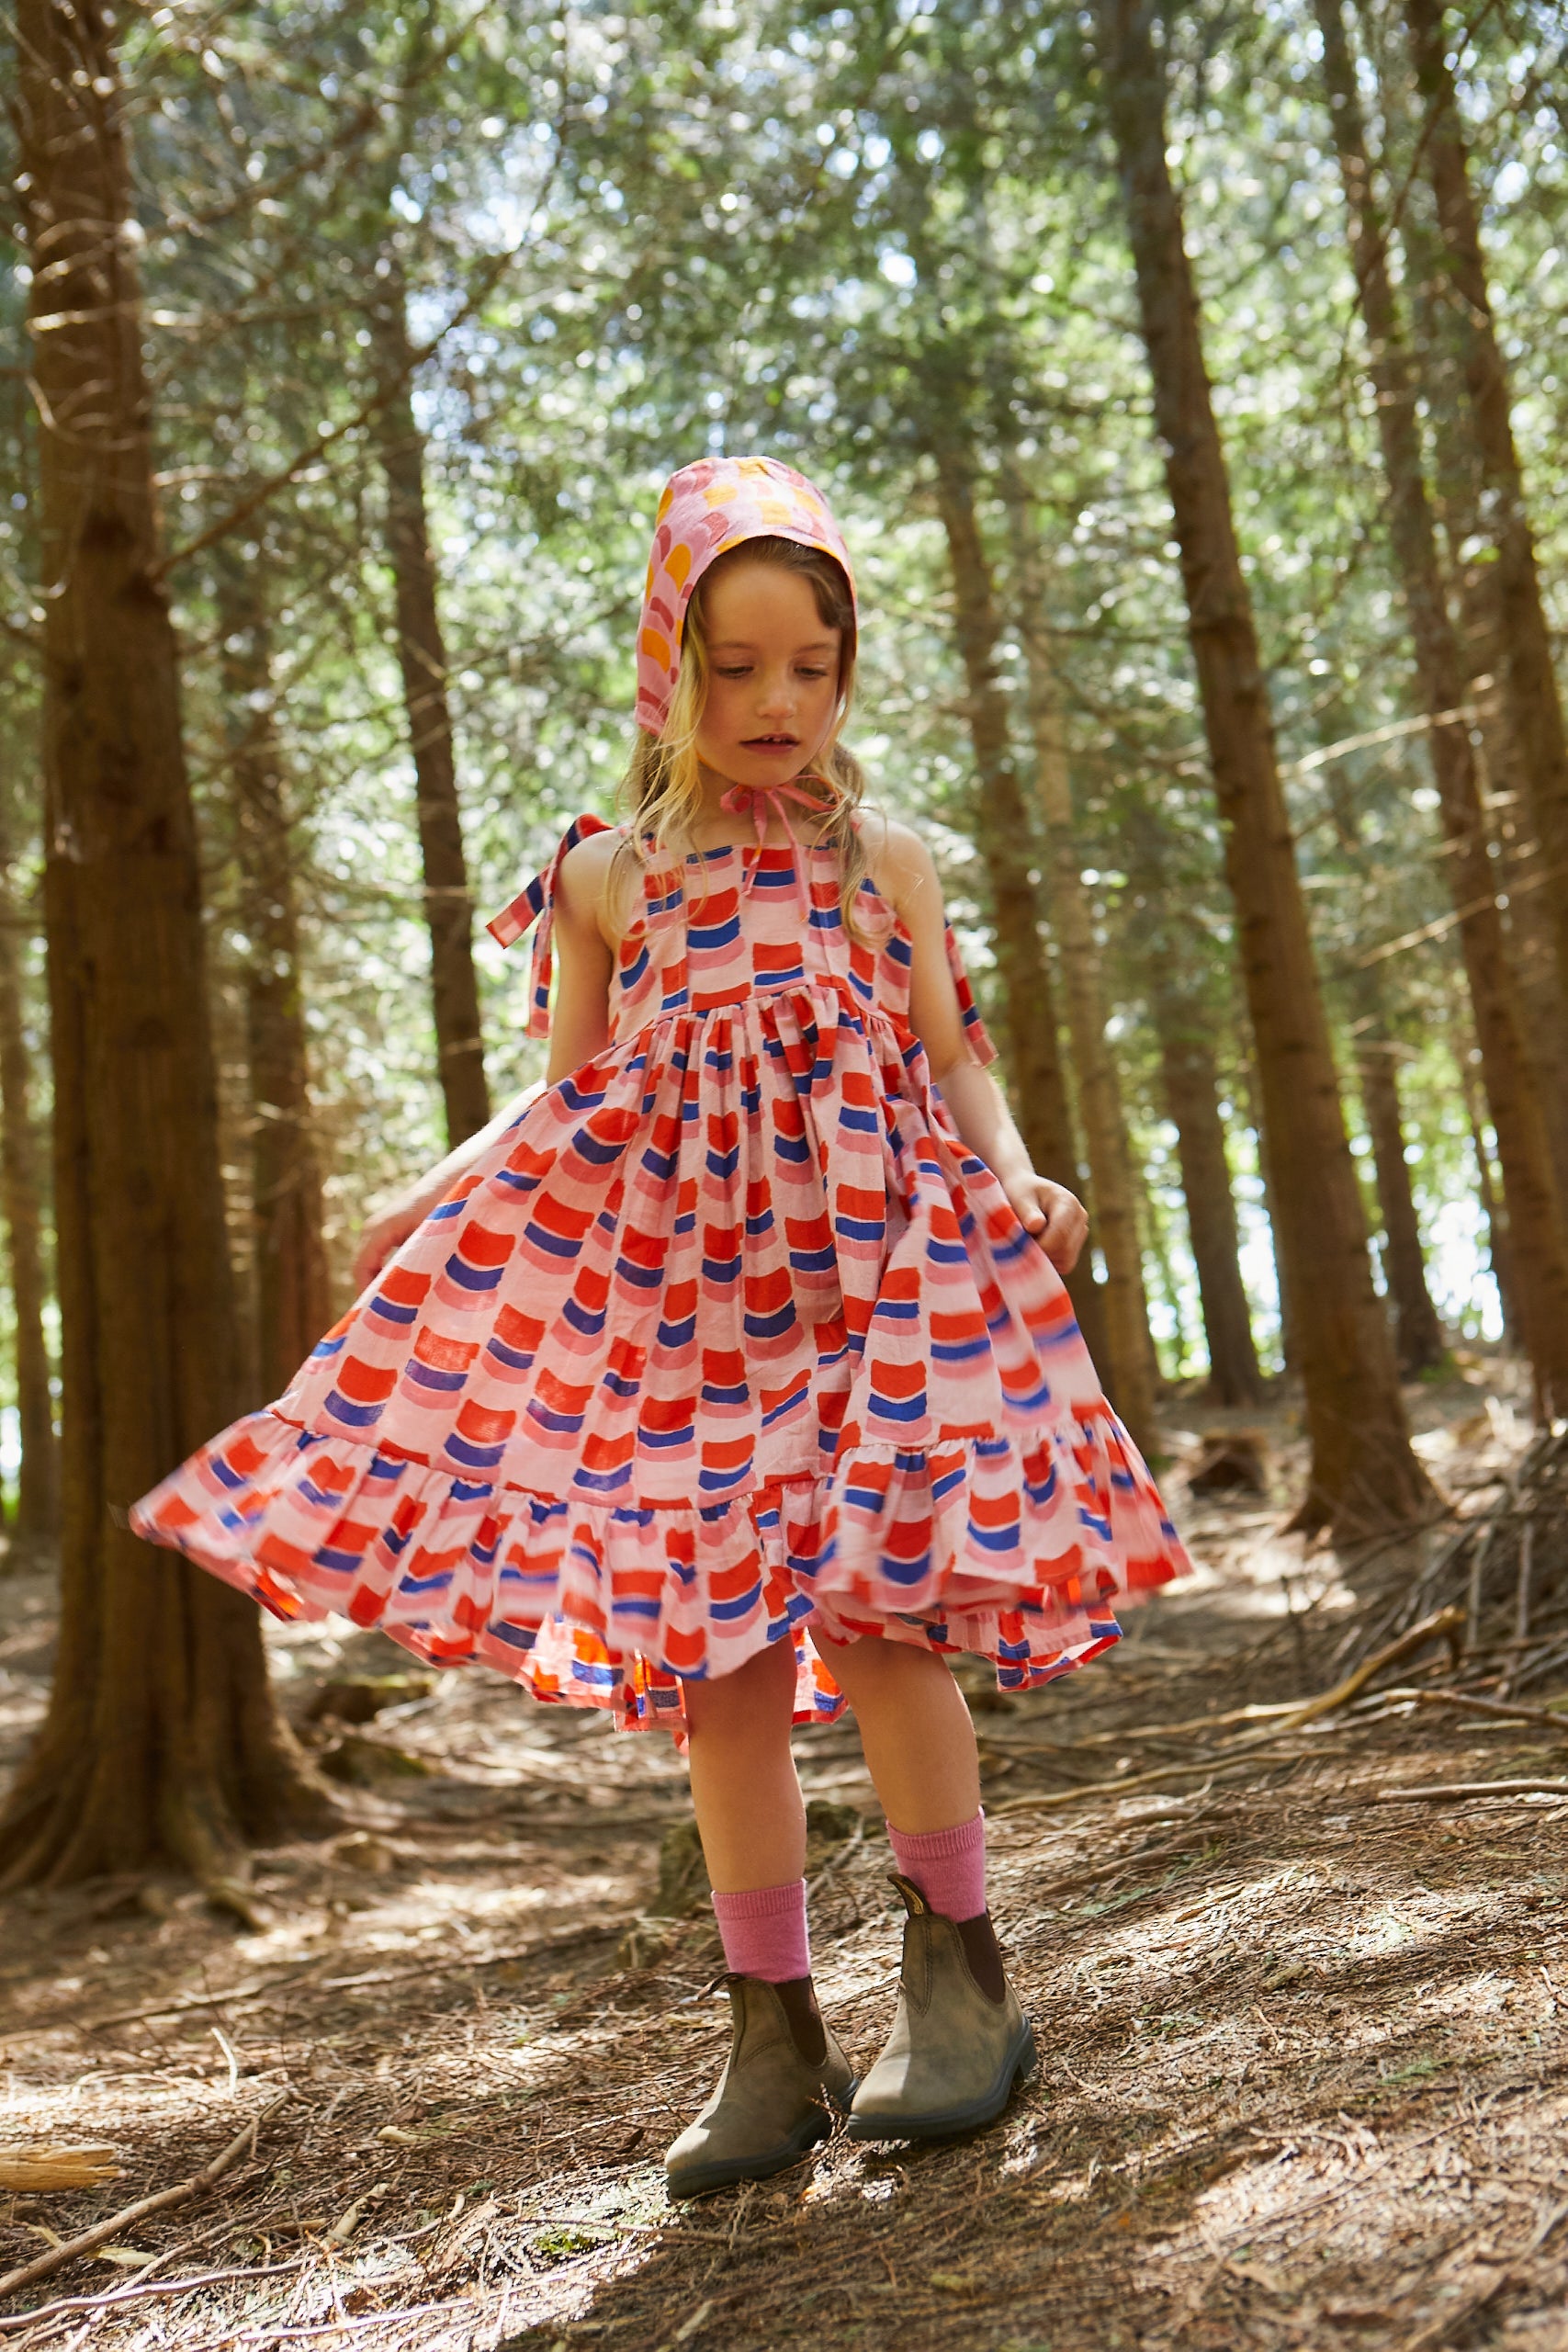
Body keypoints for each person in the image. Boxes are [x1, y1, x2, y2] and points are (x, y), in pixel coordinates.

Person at [133, 454, 1189, 2198]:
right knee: (720, 1668)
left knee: (884, 1620)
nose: (777, 703)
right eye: (736, 666)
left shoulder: (884, 862)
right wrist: (433, 1192)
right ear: (669, 664)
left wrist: (1022, 1177)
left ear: (851, 674)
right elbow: (558, 1097)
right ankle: (770, 2029)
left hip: (874, 1298)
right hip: (686, 1319)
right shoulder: (611, 880)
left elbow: (954, 1059)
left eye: (813, 667)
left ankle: (960, 1983)